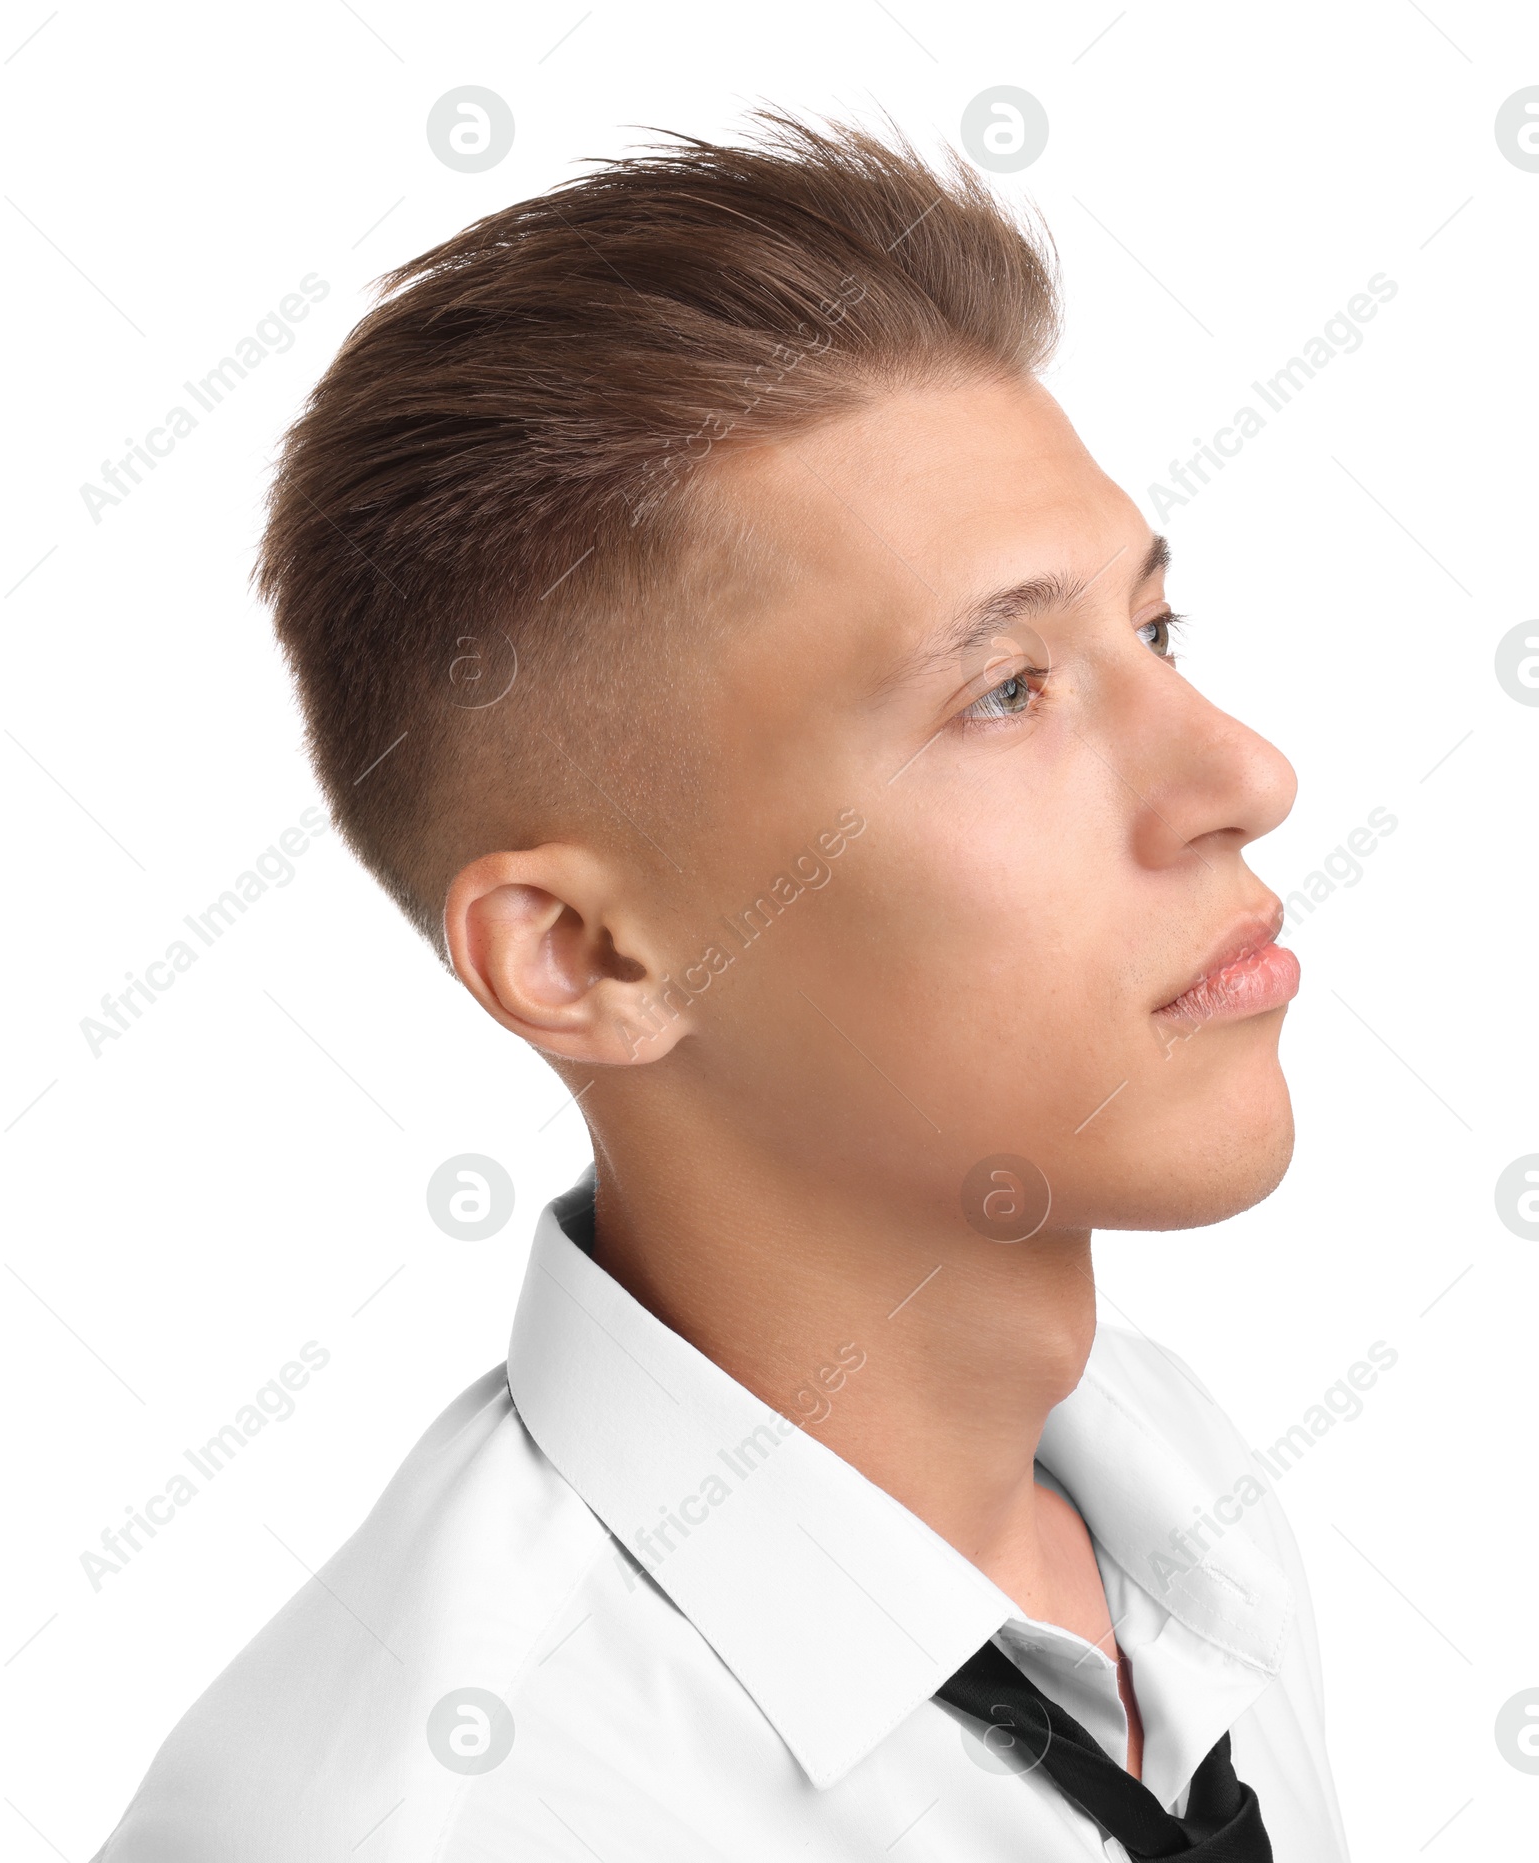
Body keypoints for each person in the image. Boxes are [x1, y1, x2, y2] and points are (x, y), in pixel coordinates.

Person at [92, 112, 1347, 1860]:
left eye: (1152, 633)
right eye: (1004, 693)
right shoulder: (429, 1818)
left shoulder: (1155, 1477)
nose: (1248, 774)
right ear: (588, 958)